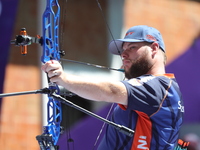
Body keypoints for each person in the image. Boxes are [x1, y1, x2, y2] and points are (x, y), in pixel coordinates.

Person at [42, 25, 184, 150]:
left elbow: (112, 90)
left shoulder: (159, 86)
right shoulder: (163, 87)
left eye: (132, 47)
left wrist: (64, 79)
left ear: (154, 48)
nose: (123, 54)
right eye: (123, 50)